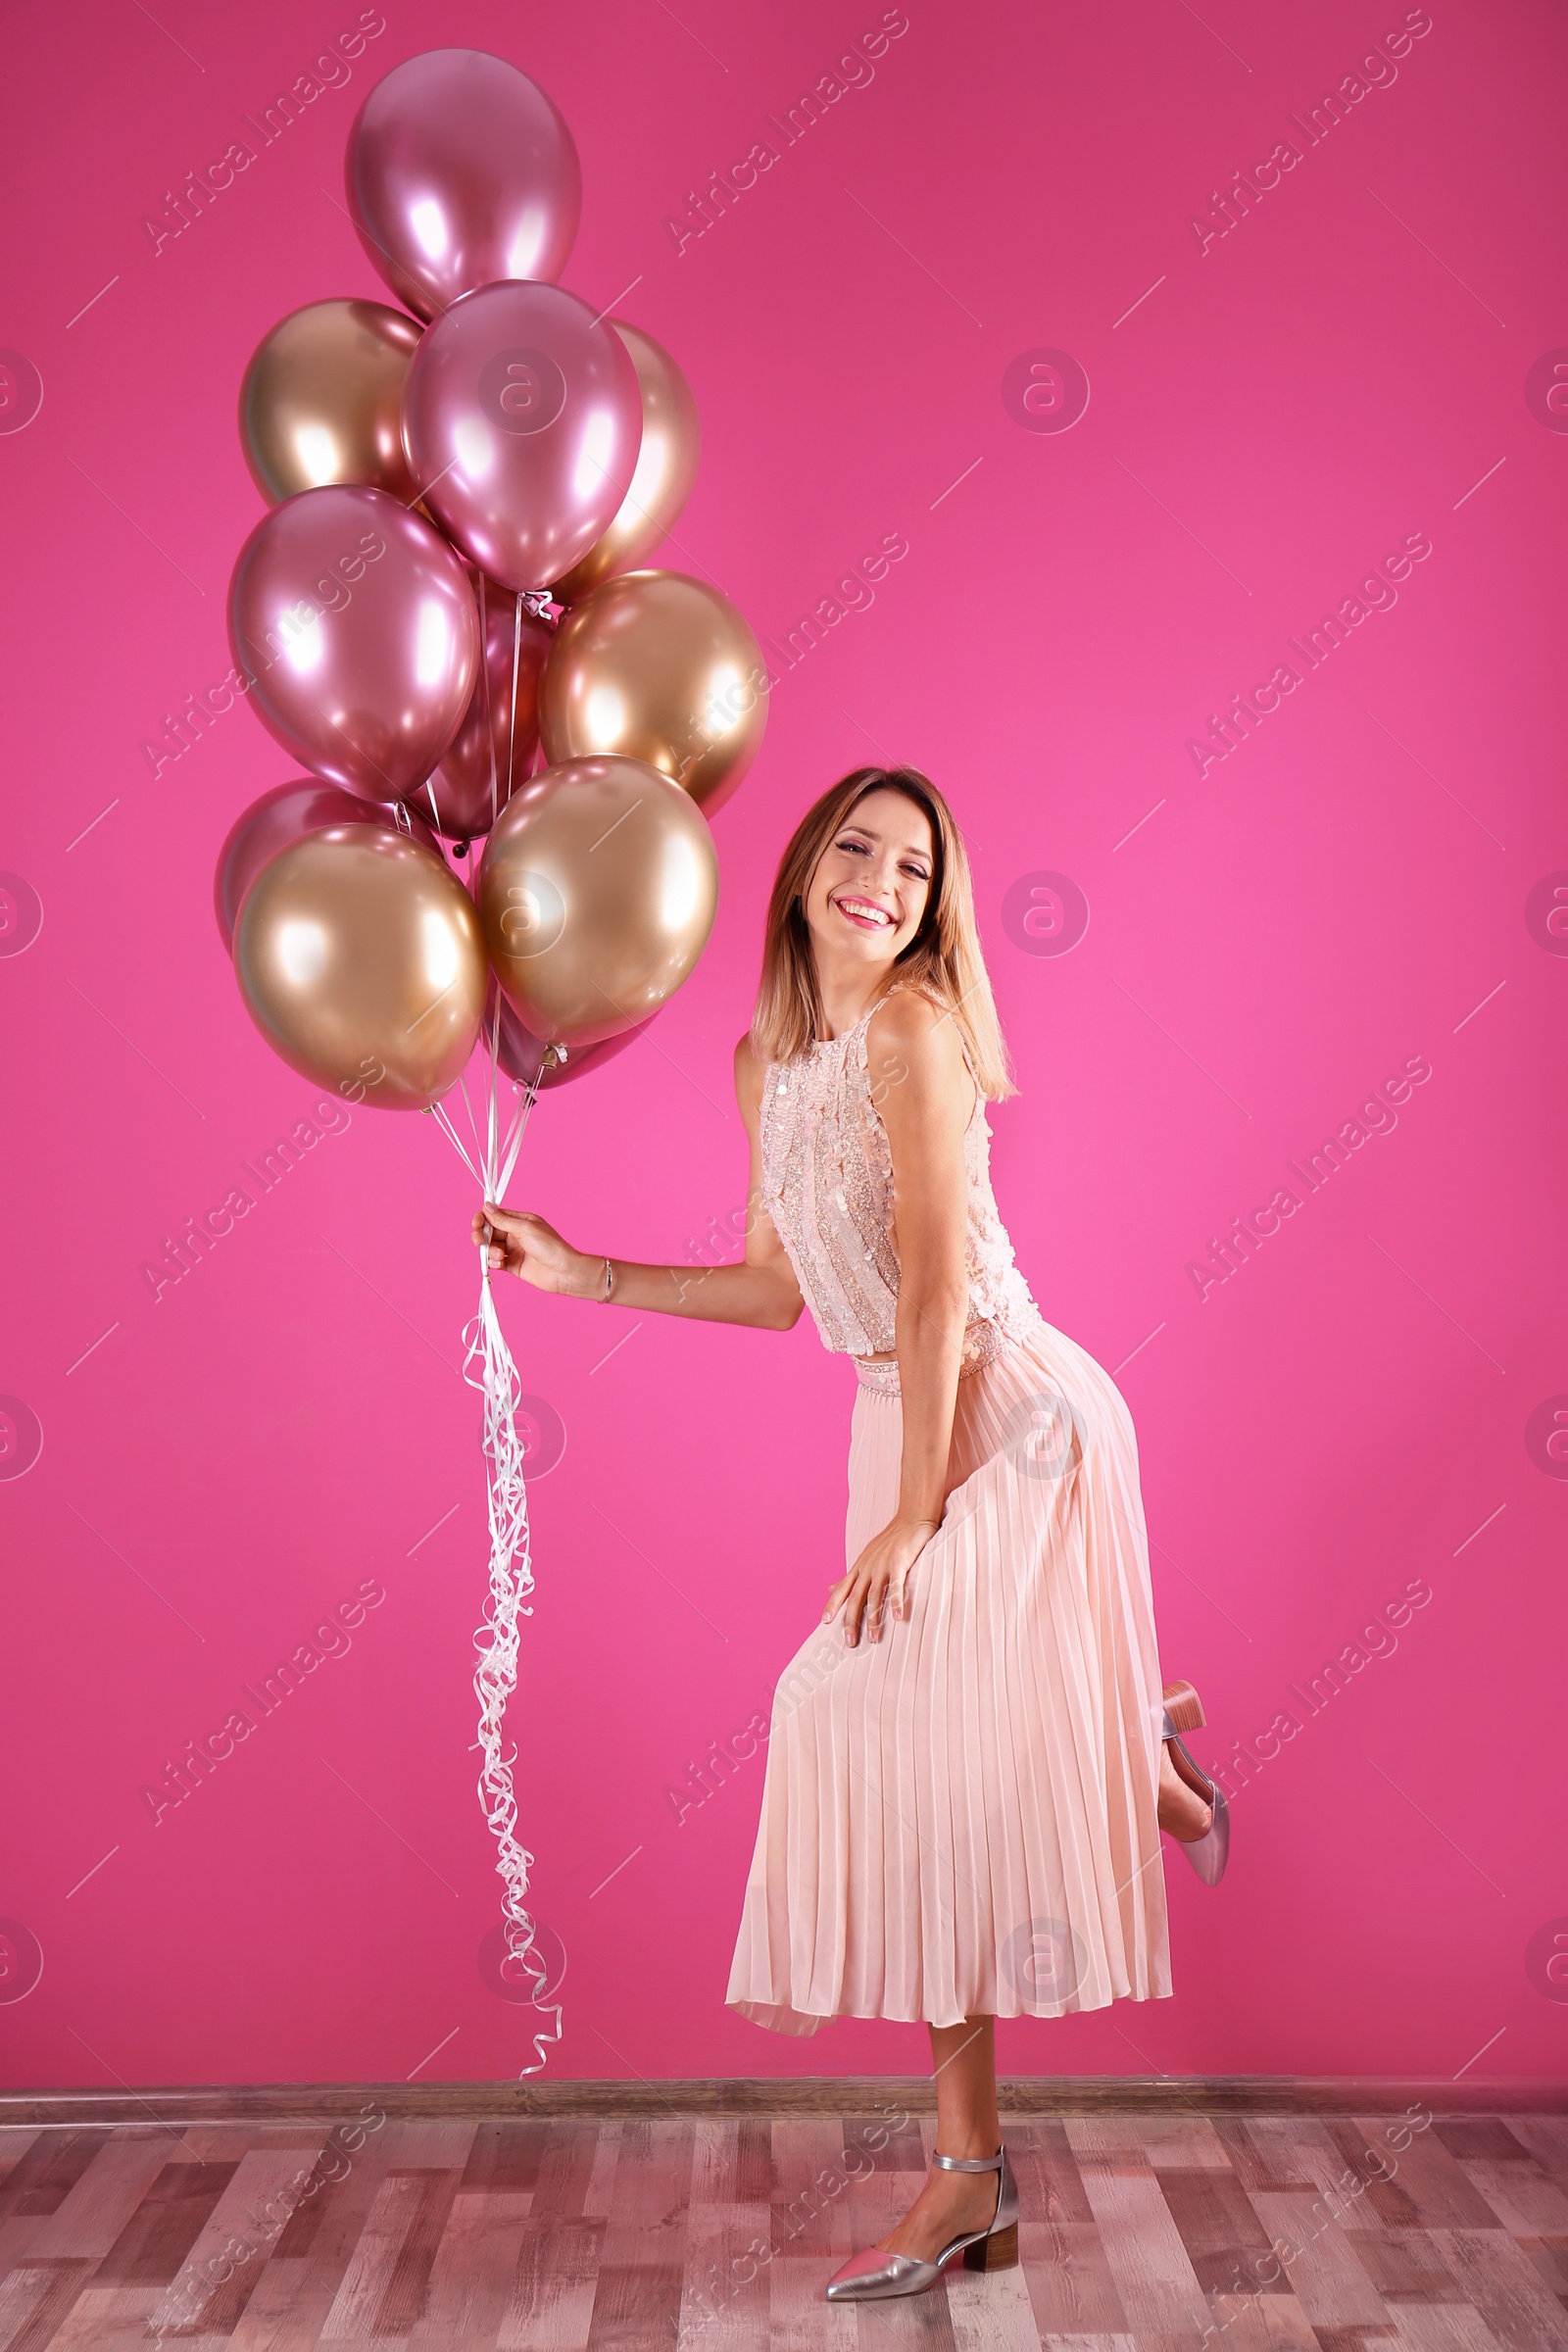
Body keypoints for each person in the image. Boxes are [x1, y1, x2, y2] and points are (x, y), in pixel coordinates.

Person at [473, 765, 1228, 2304]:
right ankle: (975, 2177)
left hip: (1006, 1411)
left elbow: (944, 1283)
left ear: (938, 906)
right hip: (893, 1407)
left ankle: (1133, 1747)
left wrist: (910, 1515)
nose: (882, 880)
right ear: (808, 860)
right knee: (929, 1792)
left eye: (916, 866)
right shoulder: (765, 1061)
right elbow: (780, 1290)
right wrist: (577, 1274)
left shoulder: (915, 1031)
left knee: (833, 1707)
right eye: (859, 847)